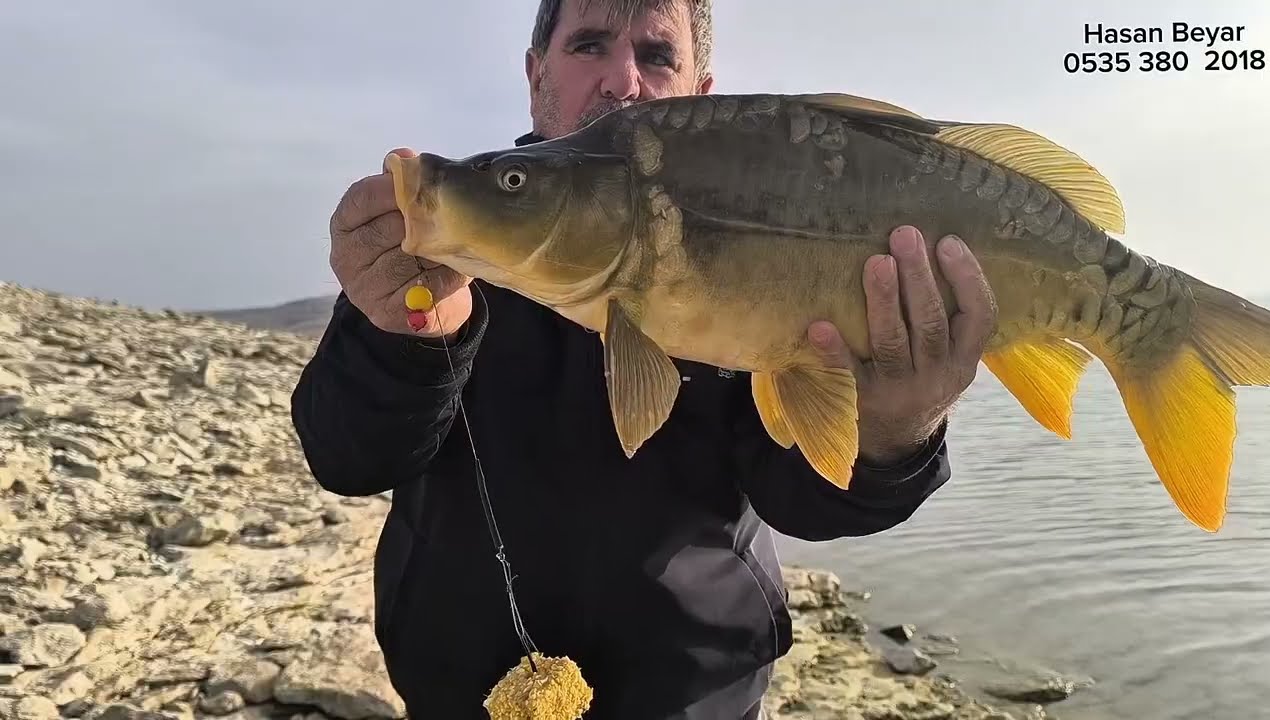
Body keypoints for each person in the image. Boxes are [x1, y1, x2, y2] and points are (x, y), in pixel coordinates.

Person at [290, 0, 996, 717]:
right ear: (536, 73)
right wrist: (405, 341)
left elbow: (802, 501)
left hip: (695, 692)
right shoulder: (455, 244)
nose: (622, 80)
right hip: (463, 691)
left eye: (658, 56)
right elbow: (348, 459)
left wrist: (895, 436)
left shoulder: (761, 229)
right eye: (590, 44)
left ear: (701, 93)